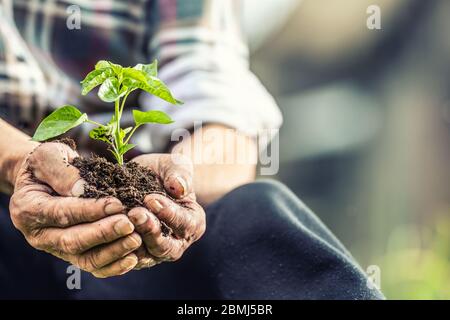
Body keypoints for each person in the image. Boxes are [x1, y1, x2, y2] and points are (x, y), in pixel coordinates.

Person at [0, 0, 382, 299]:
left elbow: (210, 75)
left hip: (144, 237)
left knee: (258, 213)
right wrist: (19, 163)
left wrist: (178, 184)